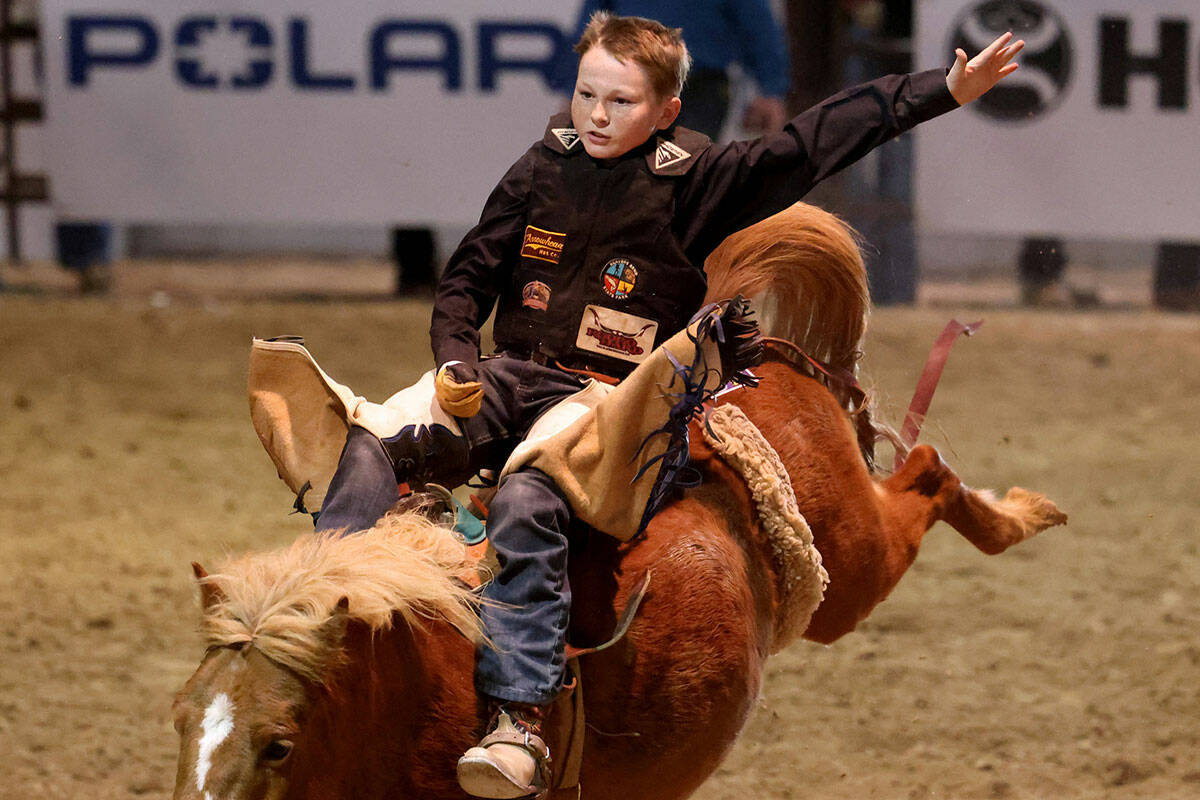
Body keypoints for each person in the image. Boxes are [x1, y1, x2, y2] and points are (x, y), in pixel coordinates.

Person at [311, 13, 1023, 798]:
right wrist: (455, 356)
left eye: (619, 101)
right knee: (367, 445)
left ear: (667, 111)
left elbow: (814, 141)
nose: (595, 116)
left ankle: (517, 719)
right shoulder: (542, 166)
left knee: (528, 496)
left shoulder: (701, 180)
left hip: (613, 400)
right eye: (585, 95)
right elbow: (467, 277)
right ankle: (321, 631)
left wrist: (943, 90)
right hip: (509, 376)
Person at [556, 0, 791, 138]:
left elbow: (757, 23)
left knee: (685, 174)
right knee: (627, 178)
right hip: (629, 84)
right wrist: (576, 90)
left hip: (699, 87)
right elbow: (591, 27)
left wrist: (771, 89)